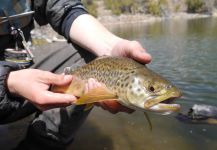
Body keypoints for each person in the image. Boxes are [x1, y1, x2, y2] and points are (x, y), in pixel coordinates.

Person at [0, 0, 152, 149]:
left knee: (92, 53)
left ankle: (45, 140)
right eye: (151, 89)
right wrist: (8, 82)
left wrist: (110, 46)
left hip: (18, 61)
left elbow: (62, 7)